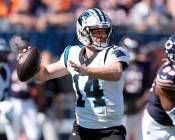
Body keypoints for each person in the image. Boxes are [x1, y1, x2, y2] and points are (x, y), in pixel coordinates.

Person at [20, 8, 129, 140]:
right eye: (96, 31)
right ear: (82, 32)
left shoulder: (114, 52)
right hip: (81, 128)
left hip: (110, 129)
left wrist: (88, 71)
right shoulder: (72, 53)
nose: (102, 35)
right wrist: (29, 66)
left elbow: (116, 72)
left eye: (104, 30)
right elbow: (44, 74)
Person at [120, 37, 150, 140]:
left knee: (141, 136)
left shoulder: (144, 66)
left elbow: (149, 88)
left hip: (138, 107)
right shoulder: (118, 66)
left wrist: (140, 102)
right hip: (121, 108)